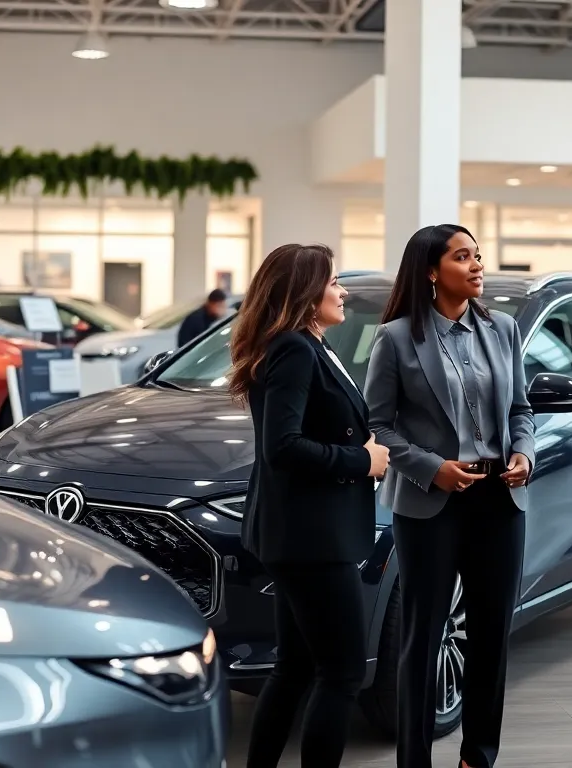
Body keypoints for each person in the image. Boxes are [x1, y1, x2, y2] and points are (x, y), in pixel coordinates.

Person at [364, 224, 536, 768]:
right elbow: (377, 427)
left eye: (478, 255)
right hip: (429, 503)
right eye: (464, 257)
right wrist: (431, 468)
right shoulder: (395, 338)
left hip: (499, 501)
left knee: (491, 635)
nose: (478, 265)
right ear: (433, 271)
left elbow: (521, 412)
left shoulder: (504, 329)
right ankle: (413, 760)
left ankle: (478, 756)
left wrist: (525, 454)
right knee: (423, 635)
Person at [229, 243, 390, 768]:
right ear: (305, 292)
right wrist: (359, 461)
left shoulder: (303, 345)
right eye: (334, 281)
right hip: (312, 538)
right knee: (342, 672)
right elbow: (283, 446)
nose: (342, 291)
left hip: (301, 533)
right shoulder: (295, 349)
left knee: (295, 666)